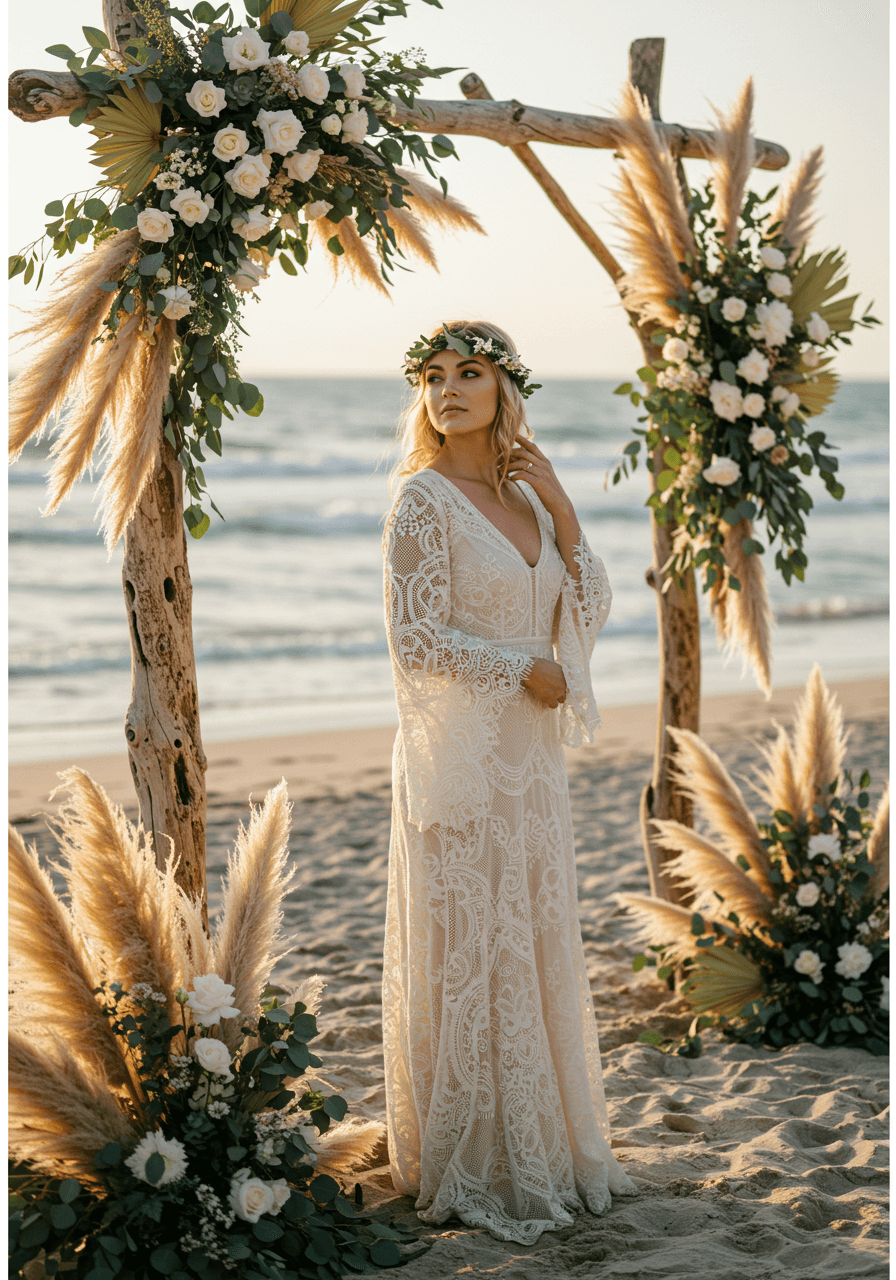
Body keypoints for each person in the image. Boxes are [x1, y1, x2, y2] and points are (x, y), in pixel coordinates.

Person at [381, 321, 637, 1245]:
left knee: (528, 936)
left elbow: (589, 601)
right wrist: (519, 670)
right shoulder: (422, 501)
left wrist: (564, 506)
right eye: (435, 376)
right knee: (471, 947)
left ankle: (545, 1143)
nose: (449, 389)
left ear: (503, 391)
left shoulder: (524, 502)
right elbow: (415, 639)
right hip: (463, 762)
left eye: (471, 373)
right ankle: (474, 1153)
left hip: (532, 767)